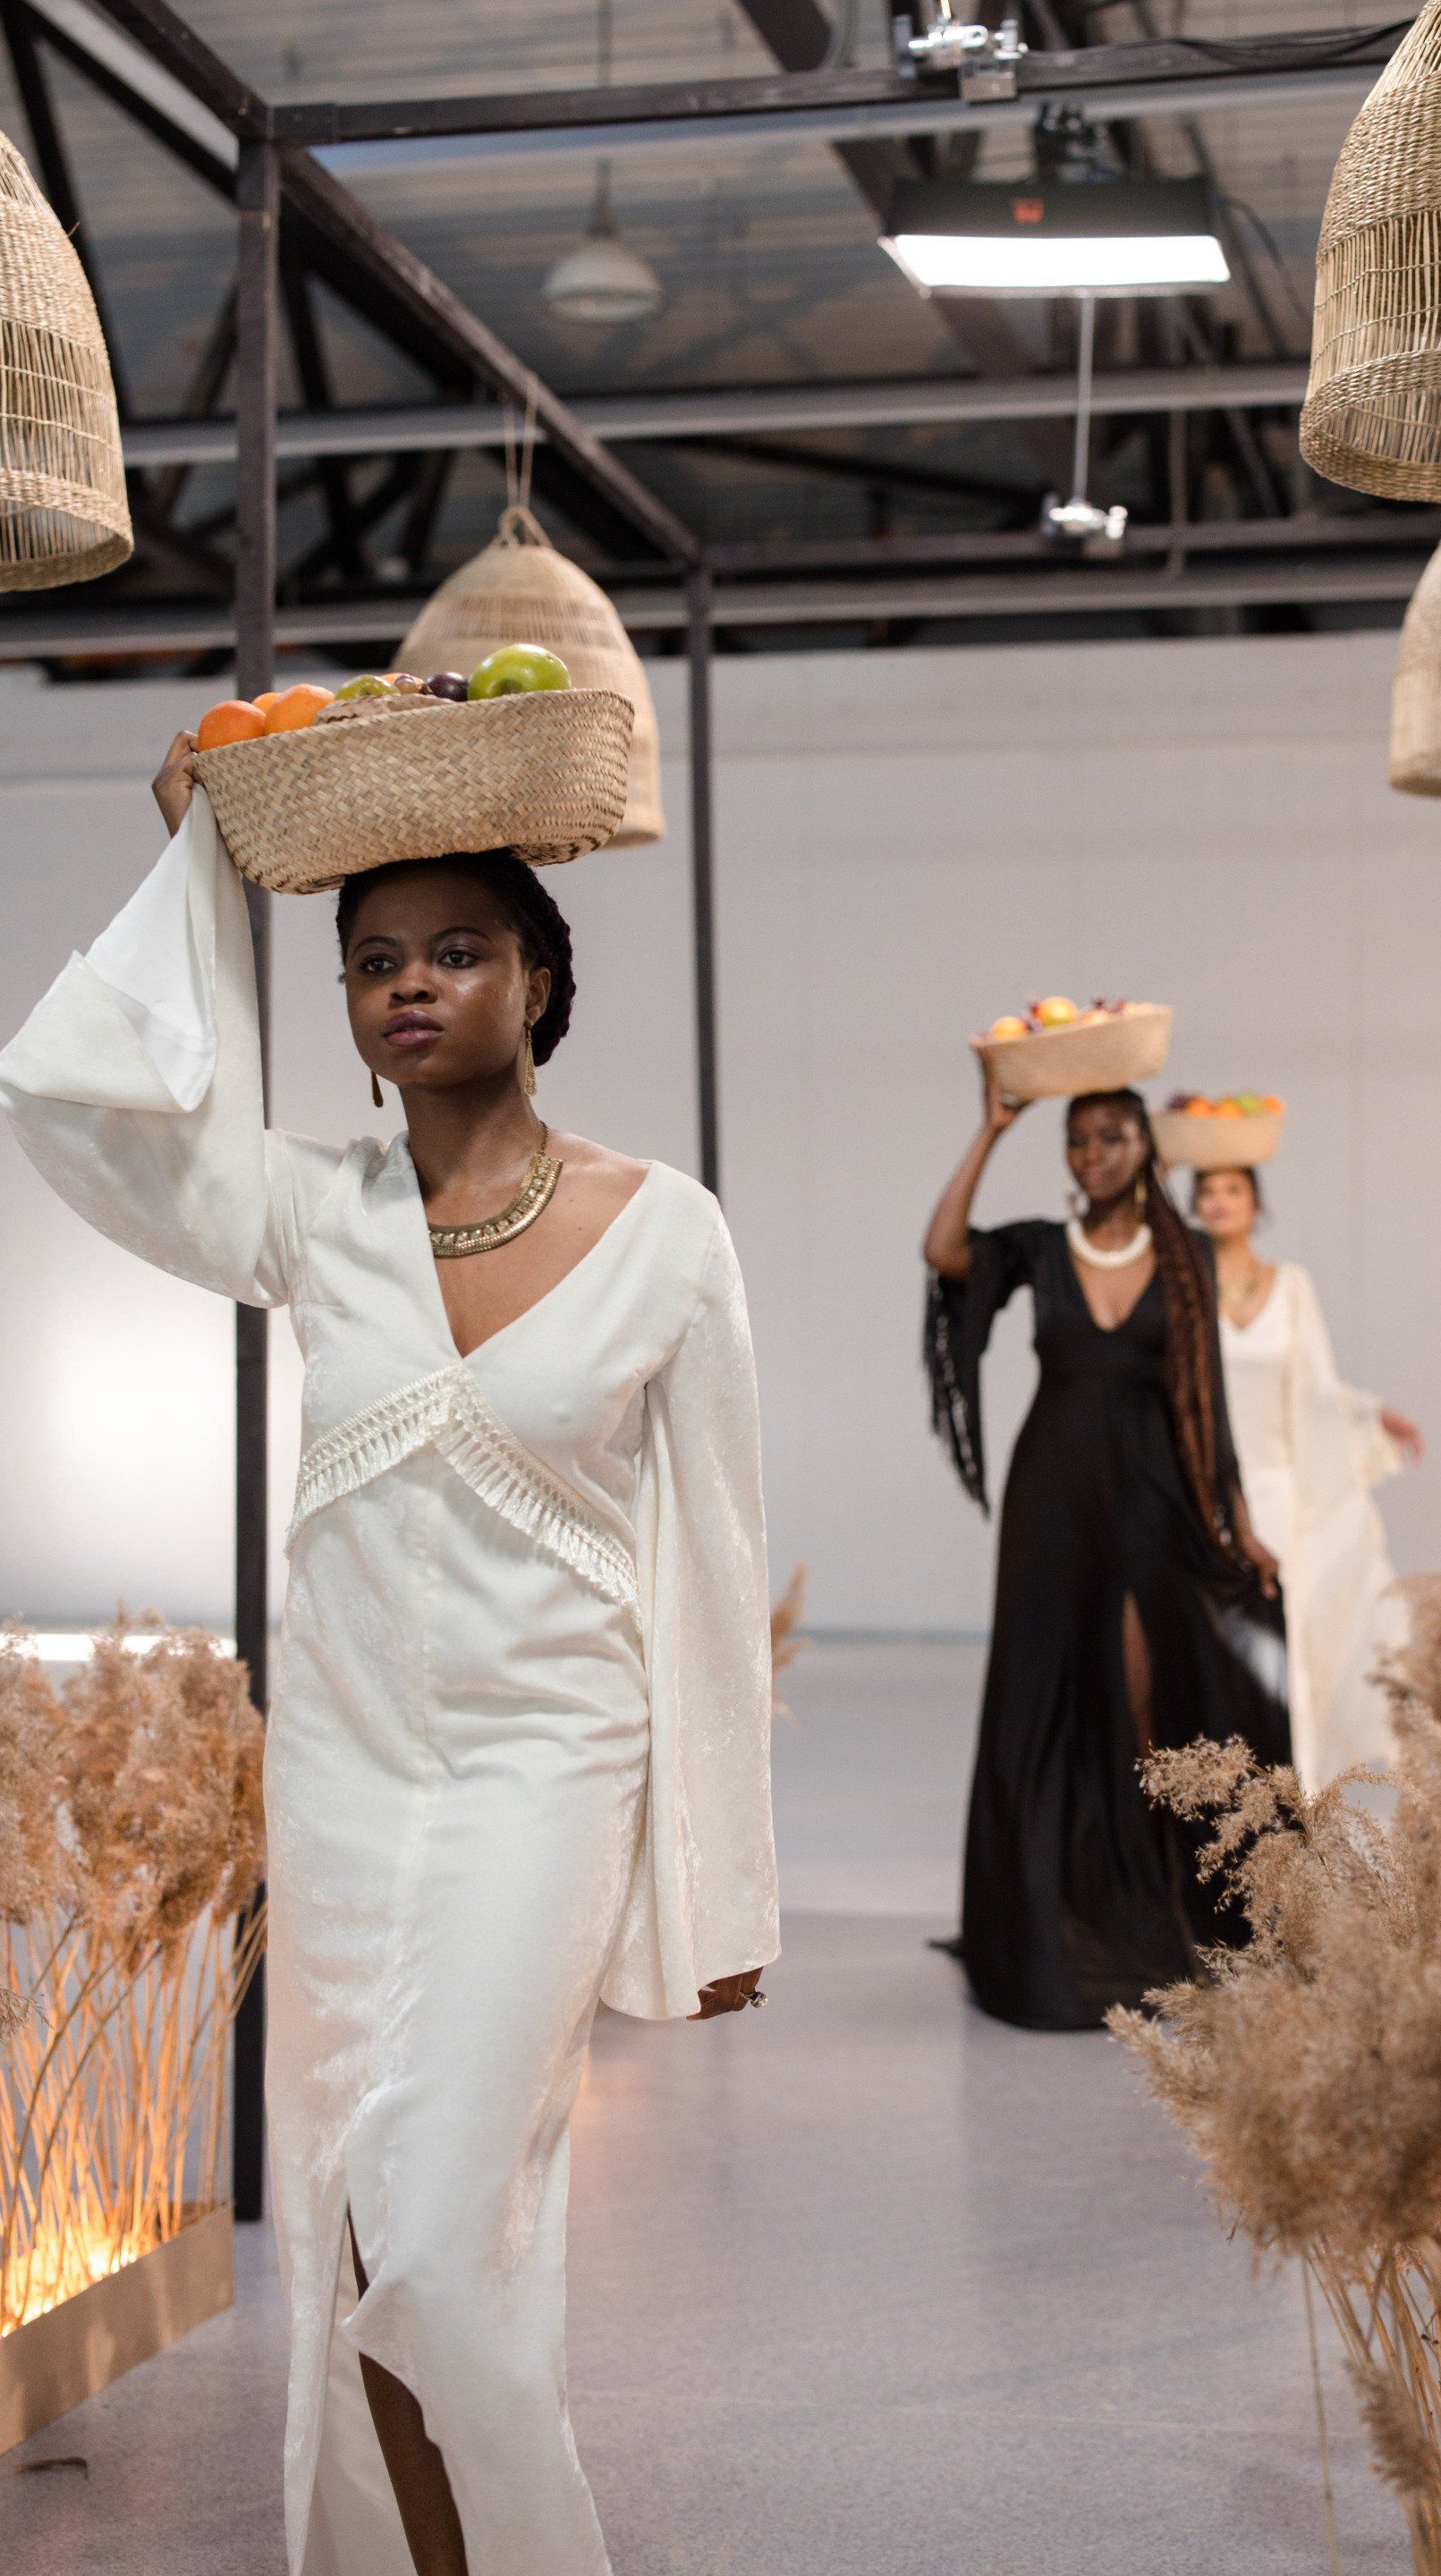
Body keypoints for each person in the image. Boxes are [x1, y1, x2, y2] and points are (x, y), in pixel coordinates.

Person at [0, 733, 779, 2576]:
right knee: (358, 2233)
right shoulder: (315, 1214)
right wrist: (201, 876)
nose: (410, 985)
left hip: (547, 1777)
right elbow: (79, 1112)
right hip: (347, 1789)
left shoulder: (665, 1232)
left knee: (435, 2234)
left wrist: (722, 1890)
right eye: (370, 960)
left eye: (455, 950)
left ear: (542, 980)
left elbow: (716, 1560)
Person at [921, 1070, 1292, 2032]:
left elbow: (1207, 1399)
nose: (1094, 1154)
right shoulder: (1041, 1250)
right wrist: (993, 1128)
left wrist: (1238, 1522)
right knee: (1051, 1690)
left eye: (1113, 1138)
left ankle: (1152, 1905)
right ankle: (1057, 1916)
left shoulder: (1188, 1257)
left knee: (1147, 1691)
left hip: (1158, 1497)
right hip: (1055, 1501)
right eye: (1080, 1140)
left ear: (1147, 1150)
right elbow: (945, 1250)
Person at [1192, 1164, 1422, 1788]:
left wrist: (1372, 1414)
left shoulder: (1289, 1285)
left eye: (1233, 1189)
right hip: (1204, 1490)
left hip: (1276, 1491)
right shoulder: (1184, 1286)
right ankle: (1215, 1785)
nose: (1219, 1202)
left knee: (1291, 1634)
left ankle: (1297, 1790)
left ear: (1255, 1203)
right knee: (1211, 1640)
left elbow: (1315, 1386)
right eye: (1206, 1190)